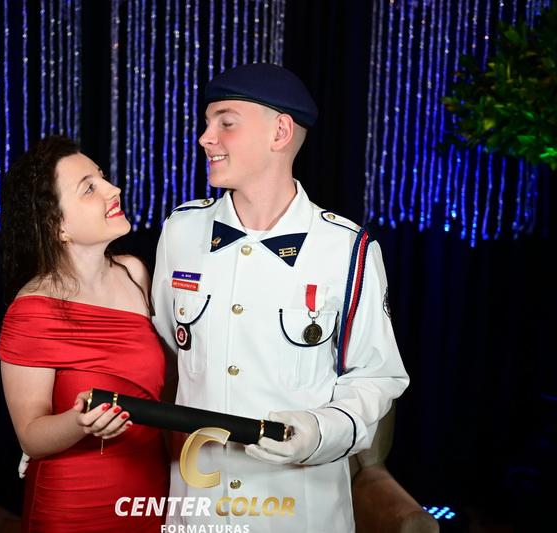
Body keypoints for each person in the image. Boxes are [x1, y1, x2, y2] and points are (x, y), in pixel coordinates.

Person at [151, 63, 409, 532]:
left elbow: (376, 376)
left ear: (280, 132)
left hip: (299, 512)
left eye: (226, 122)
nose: (206, 138)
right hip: (199, 507)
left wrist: (318, 434)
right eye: (207, 123)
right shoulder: (180, 232)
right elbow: (168, 356)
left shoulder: (347, 249)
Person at [0, 135, 169, 532]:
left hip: (148, 488)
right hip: (75, 503)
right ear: (57, 225)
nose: (114, 189)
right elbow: (30, 437)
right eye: (89, 188)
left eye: (103, 177)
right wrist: (79, 423)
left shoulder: (134, 274)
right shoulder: (33, 311)